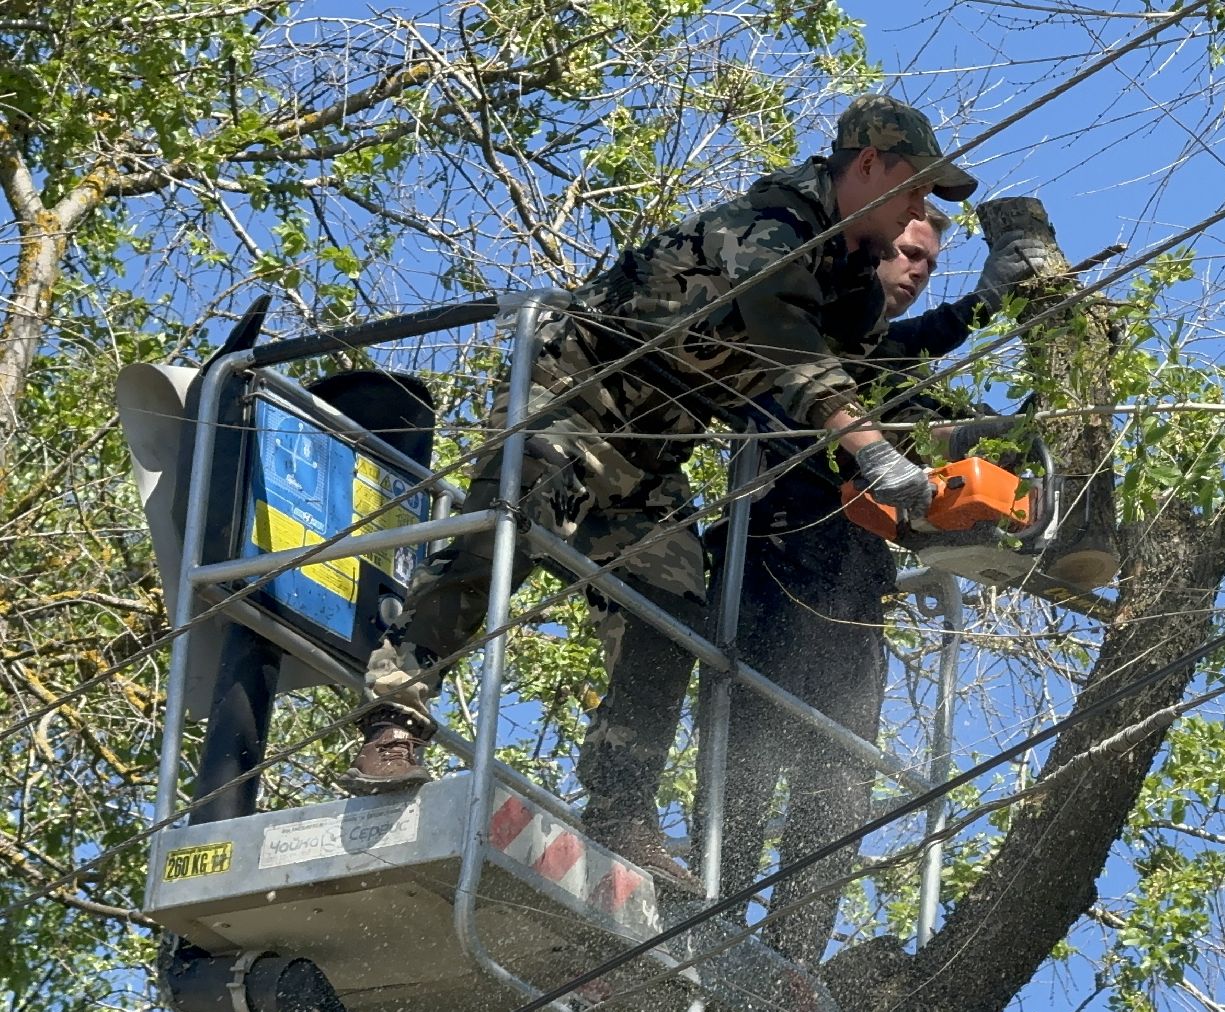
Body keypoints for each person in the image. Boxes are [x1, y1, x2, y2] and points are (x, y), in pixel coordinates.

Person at [341, 95, 980, 889]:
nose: (920, 210)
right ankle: (394, 714)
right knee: (507, 529)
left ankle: (619, 809)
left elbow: (877, 368)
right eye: (916, 188)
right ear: (870, 166)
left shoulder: (843, 274)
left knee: (672, 608)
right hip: (580, 400)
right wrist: (874, 454)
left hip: (652, 454)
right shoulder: (768, 229)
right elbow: (796, 353)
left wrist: (980, 356)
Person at [687, 206, 1045, 963]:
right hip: (773, 568)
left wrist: (1029, 437)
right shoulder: (804, 340)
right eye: (908, 254)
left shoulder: (887, 365)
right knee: (745, 764)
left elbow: (932, 408)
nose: (917, 270)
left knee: (840, 783)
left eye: (929, 263)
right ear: (870, 253)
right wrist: (977, 308)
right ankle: (705, 932)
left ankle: (791, 962)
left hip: (855, 590)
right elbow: (883, 369)